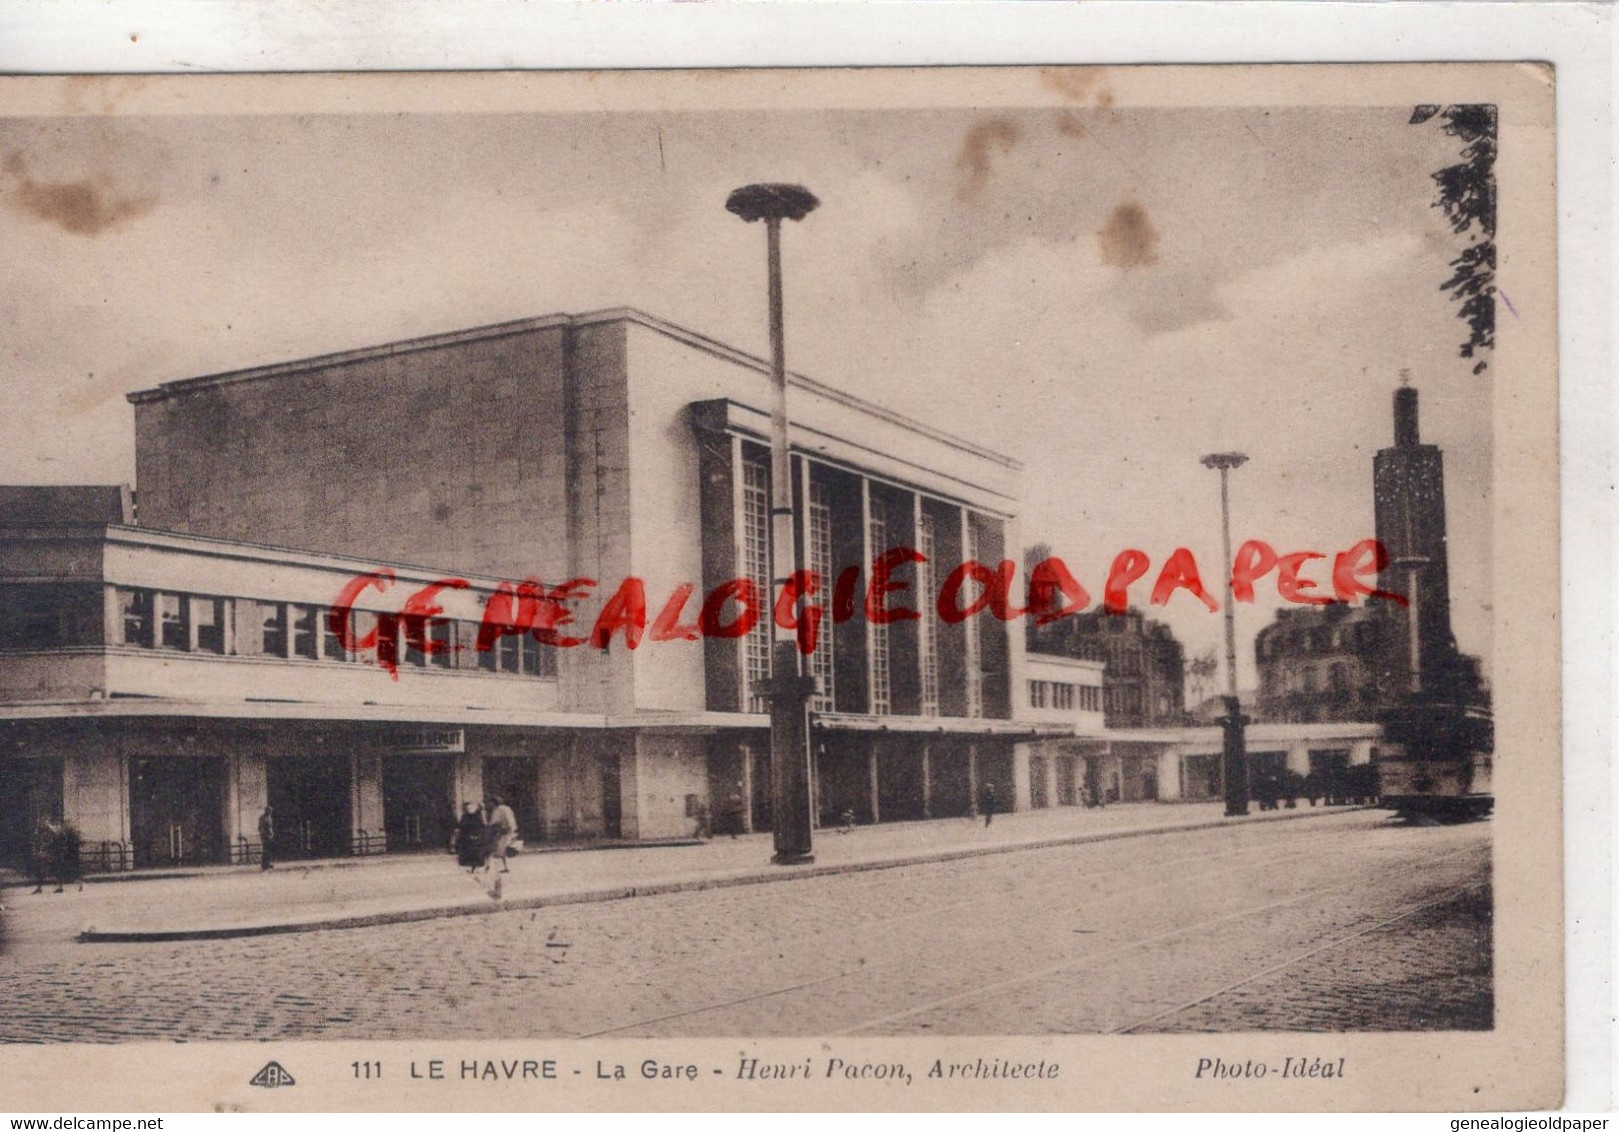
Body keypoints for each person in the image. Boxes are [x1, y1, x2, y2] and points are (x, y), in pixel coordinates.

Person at [452, 801, 488, 873]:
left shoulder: (477, 816)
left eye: (470, 808)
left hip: (475, 837)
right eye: (468, 808)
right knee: (471, 853)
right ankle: (471, 867)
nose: (469, 809)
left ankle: (475, 867)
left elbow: (483, 826)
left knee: (475, 853)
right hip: (468, 838)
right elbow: (461, 826)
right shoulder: (466, 816)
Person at [486, 795, 517, 873]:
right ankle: (504, 867)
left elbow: (493, 822)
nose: (489, 804)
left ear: (494, 803)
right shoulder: (507, 808)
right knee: (502, 850)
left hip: (502, 832)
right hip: (510, 831)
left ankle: (488, 866)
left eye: (490, 803)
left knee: (496, 850)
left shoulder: (498, 810)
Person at [258, 804, 275, 870]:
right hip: (265, 836)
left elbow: (271, 827)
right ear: (266, 811)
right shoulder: (263, 818)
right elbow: (260, 828)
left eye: (271, 811)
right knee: (265, 850)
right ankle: (264, 864)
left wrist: (272, 834)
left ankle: (268, 863)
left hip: (269, 836)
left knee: (269, 850)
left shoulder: (270, 818)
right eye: (270, 811)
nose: (271, 812)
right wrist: (264, 836)